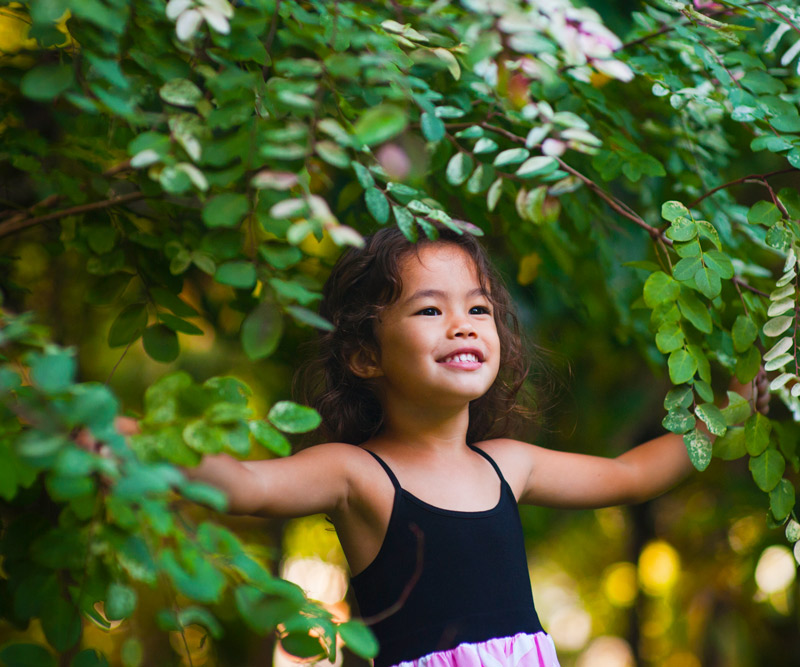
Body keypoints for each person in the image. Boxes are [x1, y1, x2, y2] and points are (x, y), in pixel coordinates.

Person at [95, 226, 769, 667]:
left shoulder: (509, 462)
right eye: (429, 309)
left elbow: (632, 473)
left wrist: (740, 403)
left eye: (478, 309)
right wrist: (118, 434)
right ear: (364, 354)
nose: (462, 325)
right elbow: (244, 484)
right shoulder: (358, 473)